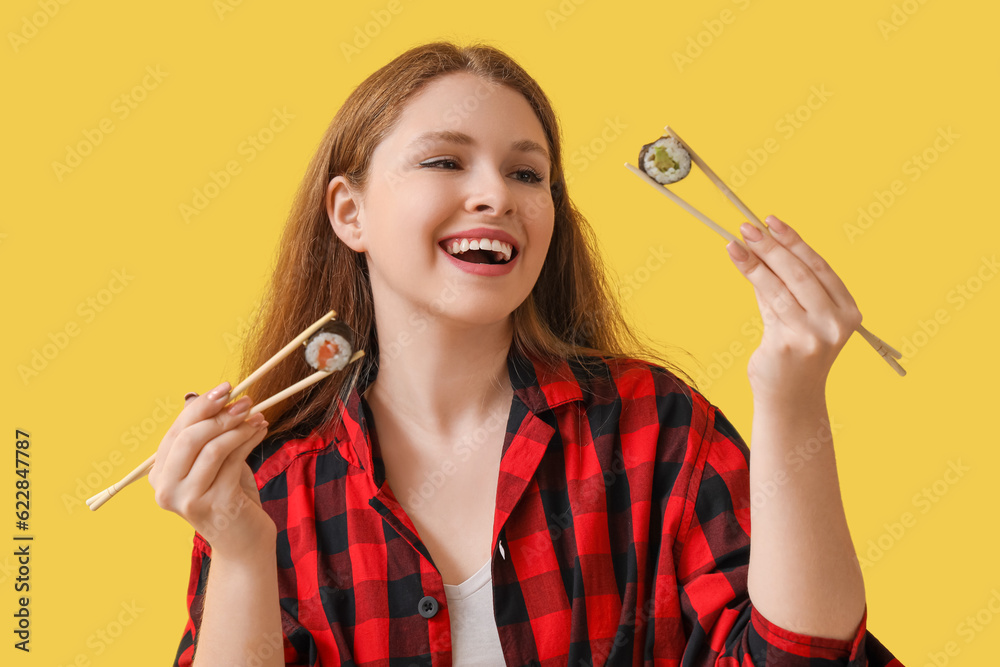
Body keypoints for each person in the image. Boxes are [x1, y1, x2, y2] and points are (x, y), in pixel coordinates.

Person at [152, 42, 905, 666]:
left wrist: (791, 394)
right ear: (350, 212)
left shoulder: (655, 428)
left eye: (526, 172)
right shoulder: (272, 483)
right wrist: (243, 552)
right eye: (446, 162)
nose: (496, 195)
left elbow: (802, 658)